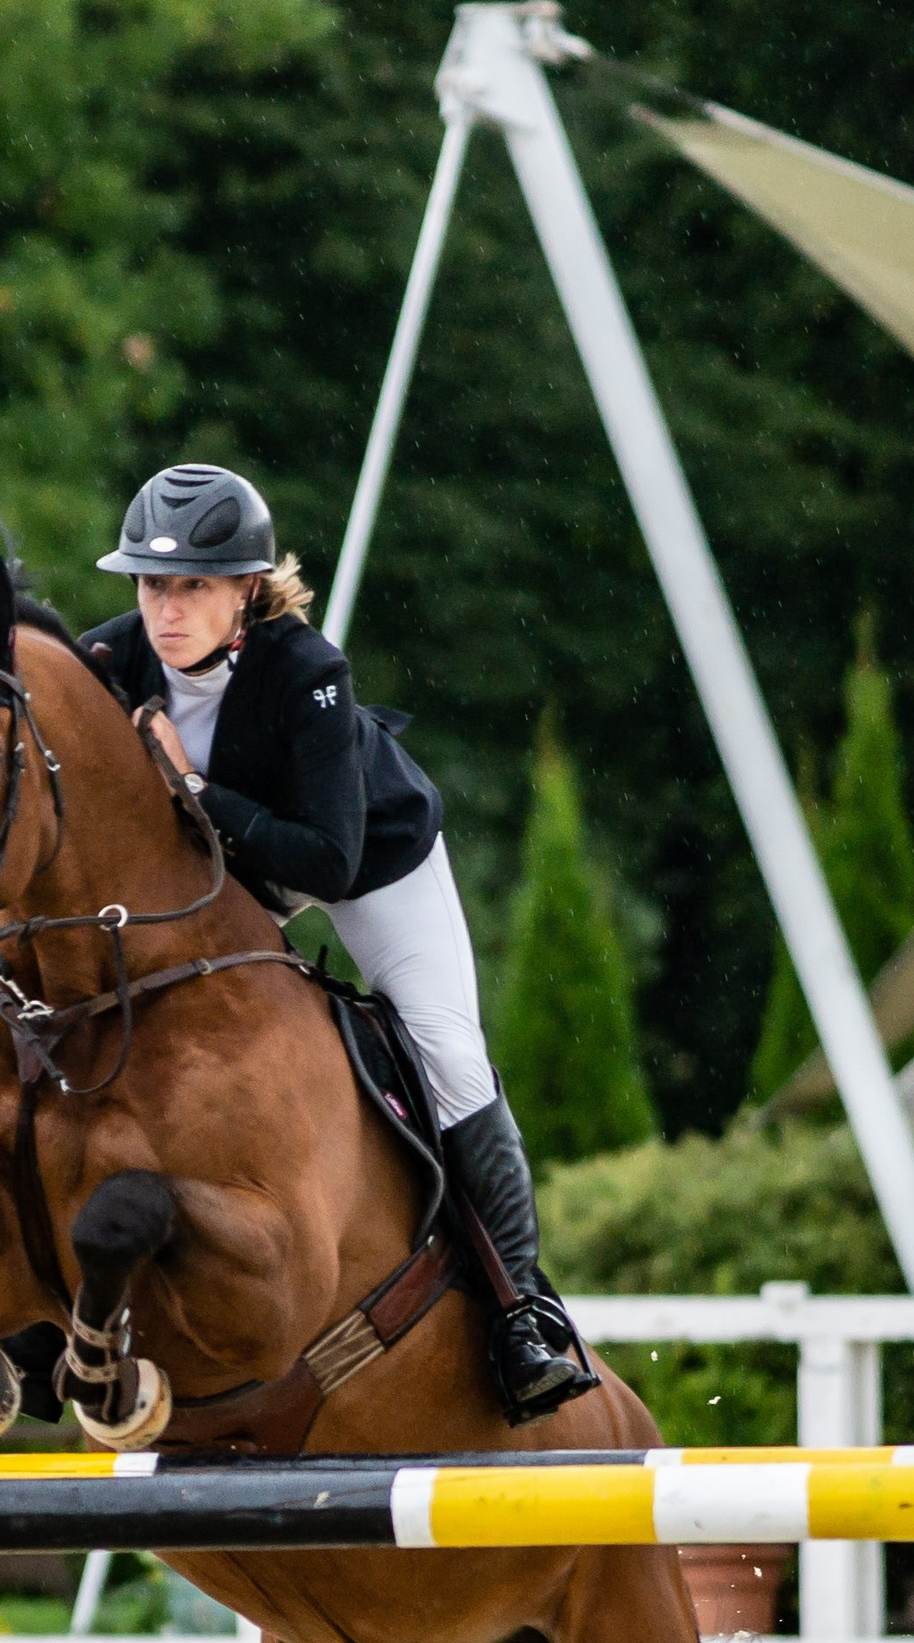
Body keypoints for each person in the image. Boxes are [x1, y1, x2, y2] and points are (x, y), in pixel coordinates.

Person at [81, 460, 596, 1423]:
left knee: (445, 1050)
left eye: (194, 585)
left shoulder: (307, 671)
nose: (167, 610)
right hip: (231, 869)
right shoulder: (111, 663)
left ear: (248, 589)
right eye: (153, 585)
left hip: (366, 859)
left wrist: (194, 790)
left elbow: (322, 863)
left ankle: (525, 1312)